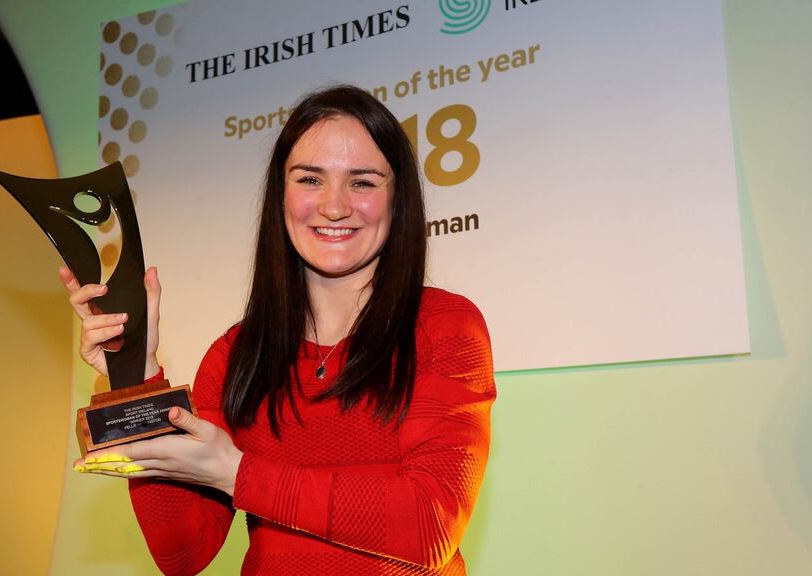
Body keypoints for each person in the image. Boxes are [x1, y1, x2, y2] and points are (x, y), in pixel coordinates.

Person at [61, 85, 496, 575]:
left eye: (363, 182)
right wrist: (136, 379)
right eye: (310, 179)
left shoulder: (443, 325)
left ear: (398, 200)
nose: (334, 206)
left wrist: (239, 474)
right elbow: (182, 553)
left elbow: (430, 526)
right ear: (281, 195)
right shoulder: (236, 352)